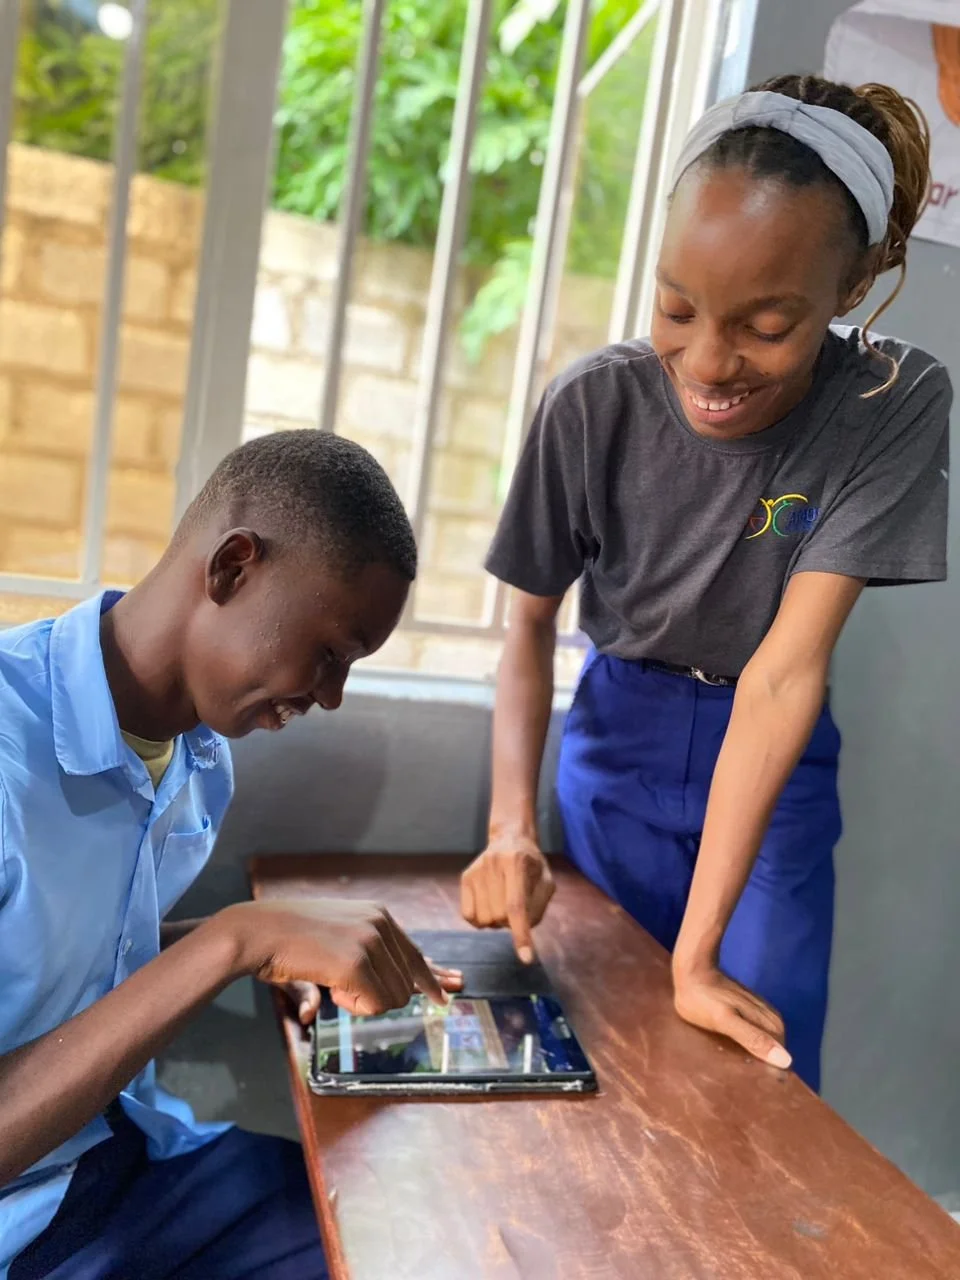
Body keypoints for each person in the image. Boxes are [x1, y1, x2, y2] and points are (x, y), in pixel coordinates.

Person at [461, 74, 950, 1093]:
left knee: (764, 1068)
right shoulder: (592, 405)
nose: (709, 361)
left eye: (766, 326)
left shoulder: (893, 404)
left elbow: (785, 674)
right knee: (608, 1049)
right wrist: (509, 825)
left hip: (774, 760)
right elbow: (527, 627)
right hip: (617, 745)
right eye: (677, 307)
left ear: (854, 286)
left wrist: (700, 954)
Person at [0, 430, 462, 1280]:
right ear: (232, 568)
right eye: (331, 654)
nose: (331, 696)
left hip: (137, 1154)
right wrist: (236, 940)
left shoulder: (200, 759)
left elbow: (85, 963)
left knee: (417, 1235)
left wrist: (285, 945)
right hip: (25, 1229)